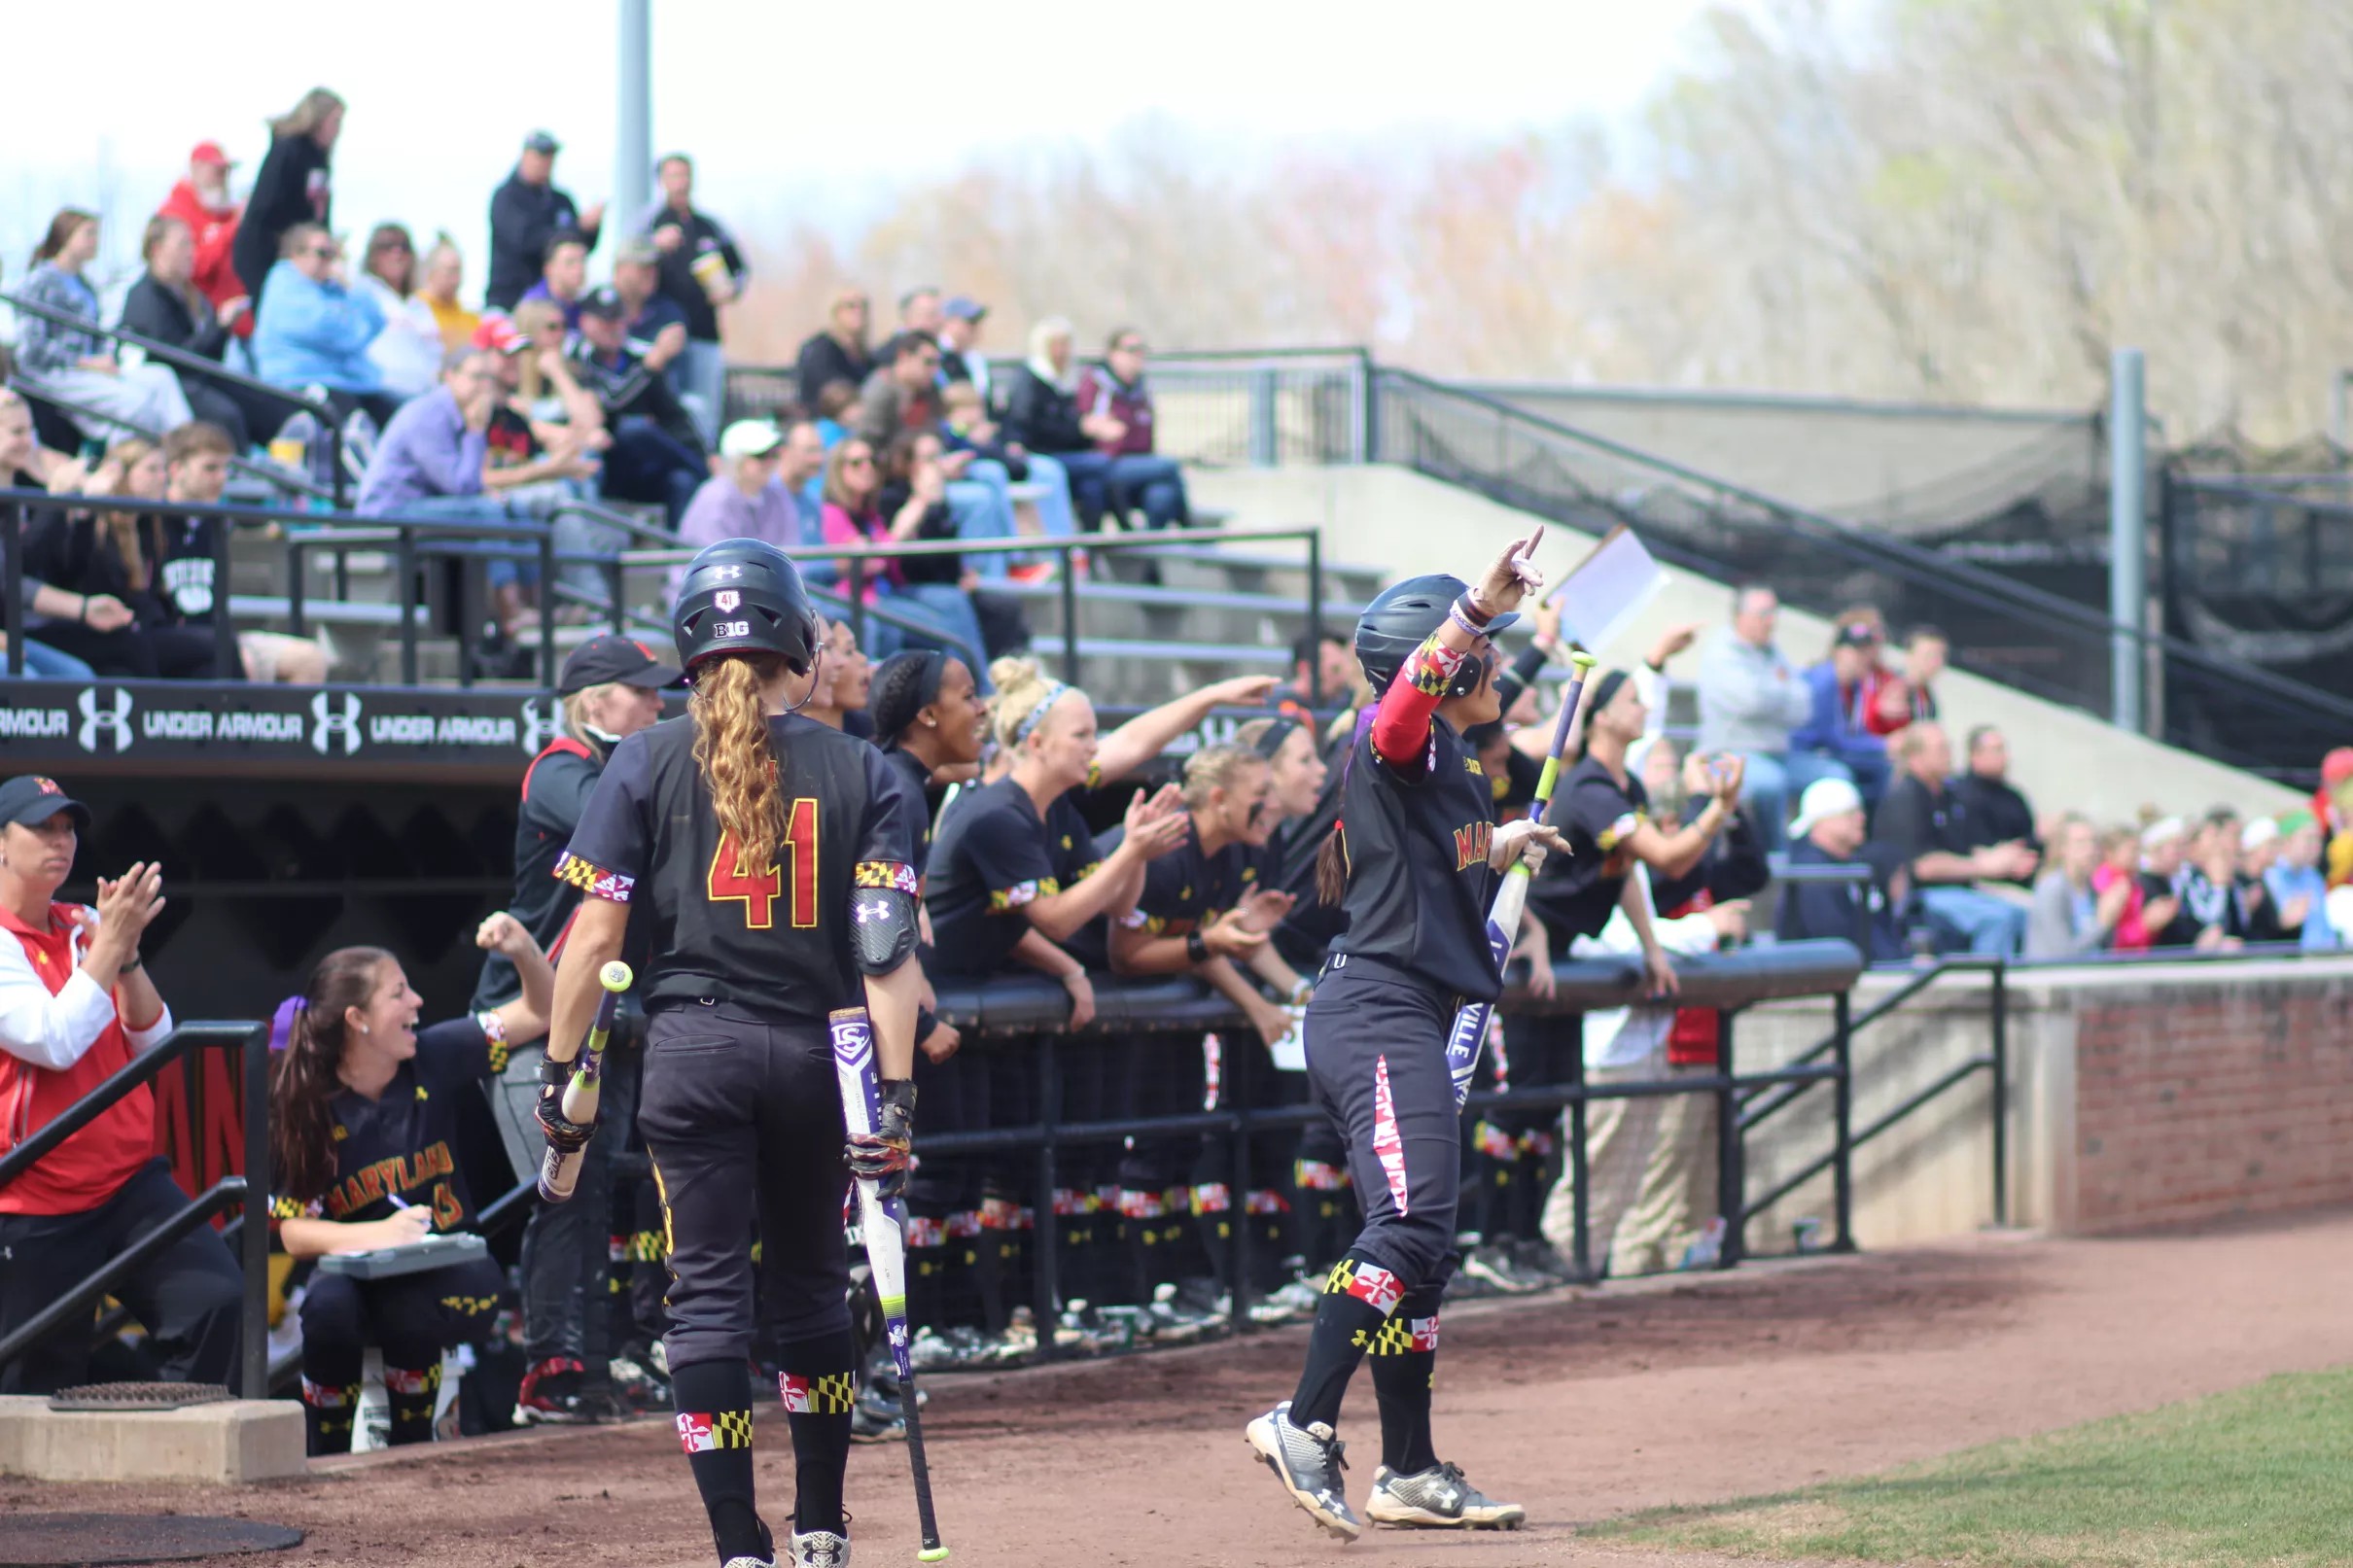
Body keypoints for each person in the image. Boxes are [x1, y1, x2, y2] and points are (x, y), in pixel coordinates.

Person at [538, 539, 924, 1568]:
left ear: (689, 652)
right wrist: (892, 1103)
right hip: (814, 1053)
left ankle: (733, 1545)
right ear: (797, 641)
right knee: (806, 1285)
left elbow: (591, 941)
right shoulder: (867, 768)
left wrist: (560, 1070)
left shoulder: (640, 755)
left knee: (705, 1293)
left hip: (691, 1047)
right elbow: (887, 958)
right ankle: (821, 1530)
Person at [1245, 541, 1564, 1540]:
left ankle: (1410, 1467)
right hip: (1377, 1011)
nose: (1501, 668)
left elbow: (1429, 856)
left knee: (1423, 1253)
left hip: (1403, 1015)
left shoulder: (1455, 767)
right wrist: (1474, 606)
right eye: (1488, 653)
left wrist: (1498, 843)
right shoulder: (1401, 736)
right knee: (1413, 1223)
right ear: (1448, 661)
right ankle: (1298, 1418)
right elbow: (1392, 713)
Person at [473, 634, 678, 1423]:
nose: (660, 704)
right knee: (563, 1189)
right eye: (643, 692)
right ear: (597, 702)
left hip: (603, 1018)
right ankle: (550, 1370)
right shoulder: (561, 763)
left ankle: (603, 1357)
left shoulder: (629, 759)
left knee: (609, 1192)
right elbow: (623, 818)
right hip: (528, 1019)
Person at [270, 918, 552, 1453]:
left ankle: (411, 1446)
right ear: (357, 1020)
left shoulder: (435, 1053)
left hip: (450, 1269)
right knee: (327, 1309)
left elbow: (542, 1011)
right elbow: (293, 1231)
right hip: (352, 1275)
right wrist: (380, 1234)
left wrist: (524, 952)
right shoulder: (304, 1100)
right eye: (399, 993)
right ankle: (324, 1452)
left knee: (410, 1308)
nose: (418, 1002)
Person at [0, 776, 242, 1395]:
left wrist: (126, 955)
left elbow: (154, 1044)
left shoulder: (82, 924)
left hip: (129, 1181)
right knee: (33, 1385)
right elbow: (53, 1041)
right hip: (35, 1199)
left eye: (68, 827)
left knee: (216, 1299)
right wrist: (108, 943)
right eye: (42, 827)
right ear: (2, 845)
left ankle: (181, 1469)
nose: (62, 841)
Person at [18, 436, 225, 680]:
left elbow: (144, 598)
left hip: (127, 630)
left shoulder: (150, 524)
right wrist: (86, 510)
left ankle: (226, 717)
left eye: (162, 469)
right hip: (80, 626)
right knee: (214, 644)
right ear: (122, 475)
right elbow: (76, 575)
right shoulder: (93, 520)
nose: (162, 478)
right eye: (151, 469)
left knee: (197, 666)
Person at [150, 421, 329, 681]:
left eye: (225, 469)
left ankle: (276, 723)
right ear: (177, 470)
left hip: (221, 640)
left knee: (308, 660)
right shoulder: (151, 523)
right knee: (218, 664)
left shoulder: (216, 523)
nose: (221, 478)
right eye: (210, 468)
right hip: (178, 642)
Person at [819, 436, 994, 679]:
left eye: (872, 461)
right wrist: (906, 523)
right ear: (839, 470)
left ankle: (977, 688)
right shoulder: (832, 513)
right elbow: (861, 564)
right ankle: (967, 691)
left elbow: (889, 559)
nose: (867, 468)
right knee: (946, 630)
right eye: (857, 463)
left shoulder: (869, 513)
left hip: (889, 590)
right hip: (861, 598)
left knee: (953, 600)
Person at [16, 209, 196, 442]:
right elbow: (31, 349)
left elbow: (96, 339)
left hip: (91, 370)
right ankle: (126, 466)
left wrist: (106, 357)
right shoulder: (40, 280)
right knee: (135, 403)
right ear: (65, 236)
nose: (95, 242)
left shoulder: (85, 284)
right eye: (88, 234)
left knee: (161, 378)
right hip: (57, 373)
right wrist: (85, 362)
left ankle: (189, 454)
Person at [1870, 721, 2036, 957]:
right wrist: (1983, 866)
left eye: (1948, 747)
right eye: (1940, 749)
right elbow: (1921, 866)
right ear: (1916, 757)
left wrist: (2004, 858)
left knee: (2026, 910)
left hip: (1961, 889)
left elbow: (1963, 850)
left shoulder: (1950, 796)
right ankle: (1987, 988)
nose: (1949, 755)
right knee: (1998, 919)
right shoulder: (1905, 797)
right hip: (1920, 896)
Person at [1695, 584, 1843, 850]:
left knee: (1834, 774)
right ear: (1740, 616)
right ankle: (1777, 860)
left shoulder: (1774, 653)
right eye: (1763, 614)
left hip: (1780, 754)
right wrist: (1781, 691)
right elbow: (1751, 701)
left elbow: (1804, 706)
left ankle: (1816, 855)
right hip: (1730, 755)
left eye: (1774, 613)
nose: (1771, 622)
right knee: (1770, 783)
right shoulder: (1721, 653)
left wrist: (1770, 693)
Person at [119, 216, 274, 451]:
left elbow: (209, 358)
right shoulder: (144, 296)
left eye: (192, 244)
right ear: (157, 249)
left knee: (259, 402)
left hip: (199, 378)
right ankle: (234, 478)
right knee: (226, 416)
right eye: (183, 244)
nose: (192, 252)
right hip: (171, 385)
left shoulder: (190, 295)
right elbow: (176, 359)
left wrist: (222, 329)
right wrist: (218, 327)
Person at [566, 287, 707, 527]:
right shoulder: (577, 359)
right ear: (585, 322)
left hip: (645, 466)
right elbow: (609, 403)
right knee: (635, 429)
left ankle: (678, 558)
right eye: (605, 320)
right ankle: (709, 478)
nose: (613, 327)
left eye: (618, 319)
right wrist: (648, 368)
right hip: (605, 464)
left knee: (682, 480)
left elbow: (673, 415)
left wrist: (706, 453)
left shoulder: (638, 356)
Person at [251, 225, 398, 432]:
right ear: (296, 254)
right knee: (353, 421)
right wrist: (353, 322)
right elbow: (341, 334)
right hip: (299, 383)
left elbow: (376, 321)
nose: (330, 261)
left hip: (349, 382)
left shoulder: (335, 288)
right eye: (322, 253)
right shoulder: (284, 287)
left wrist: (352, 284)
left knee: (398, 415)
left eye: (333, 253)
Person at [642, 154, 745, 438]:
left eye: (685, 176)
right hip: (662, 336)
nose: (680, 183)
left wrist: (730, 290)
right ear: (662, 181)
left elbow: (739, 270)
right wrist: (654, 246)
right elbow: (627, 262)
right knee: (668, 408)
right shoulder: (650, 223)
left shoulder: (708, 226)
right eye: (673, 176)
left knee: (705, 411)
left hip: (704, 332)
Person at [0, 390, 100, 679]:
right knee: (23, 677)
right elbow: (12, 572)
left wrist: (82, 515)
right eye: (17, 431)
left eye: (31, 431)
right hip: (11, 631)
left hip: (20, 627)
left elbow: (63, 570)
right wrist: (55, 501)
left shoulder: (27, 494)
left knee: (79, 677)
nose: (28, 441)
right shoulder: (39, 499)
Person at [1001, 318, 1119, 531]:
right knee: (1102, 464)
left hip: (1063, 451)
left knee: (1092, 488)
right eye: (1056, 345)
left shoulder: (1065, 380)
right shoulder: (1031, 380)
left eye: (1065, 344)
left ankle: (1089, 545)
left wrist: (1086, 428)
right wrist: (1081, 428)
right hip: (1040, 453)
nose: (1062, 351)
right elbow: (1031, 427)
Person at [231, 88, 343, 308]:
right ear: (319, 119)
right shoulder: (288, 150)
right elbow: (266, 206)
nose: (338, 130)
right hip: (267, 252)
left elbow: (318, 210)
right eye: (336, 121)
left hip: (300, 252)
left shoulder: (320, 159)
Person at [1774, 777, 1907, 958]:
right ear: (1822, 821)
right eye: (1849, 813)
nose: (1861, 819)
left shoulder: (1857, 863)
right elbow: (1832, 938)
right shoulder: (1813, 872)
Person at [1076, 328, 1190, 531]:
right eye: (1131, 349)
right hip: (1110, 465)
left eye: (1141, 350)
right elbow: (1084, 423)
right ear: (1113, 353)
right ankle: (1191, 528)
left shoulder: (1141, 389)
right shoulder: (1097, 385)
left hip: (1142, 465)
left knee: (1161, 496)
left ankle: (1148, 556)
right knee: (1170, 466)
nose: (1138, 356)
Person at [488, 131, 604, 313]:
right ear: (525, 156)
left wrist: (592, 228)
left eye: (550, 156)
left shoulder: (561, 200)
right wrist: (576, 227)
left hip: (556, 304)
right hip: (510, 301)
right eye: (540, 155)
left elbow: (581, 246)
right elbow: (525, 240)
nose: (546, 162)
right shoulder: (507, 197)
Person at [1791, 618, 1894, 806]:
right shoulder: (1823, 682)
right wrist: (1883, 746)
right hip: (1801, 754)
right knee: (1841, 774)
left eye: (1868, 652)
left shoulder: (1854, 686)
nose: (1865, 658)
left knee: (1884, 767)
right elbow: (1835, 739)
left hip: (1829, 752)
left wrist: (1883, 747)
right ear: (1839, 651)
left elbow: (1856, 733)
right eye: (1858, 651)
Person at [154, 141, 249, 341]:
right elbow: (193, 267)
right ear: (196, 169)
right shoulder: (176, 212)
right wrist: (232, 228)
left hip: (240, 322)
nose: (223, 179)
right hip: (207, 325)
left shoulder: (223, 210)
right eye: (217, 171)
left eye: (226, 172)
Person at [357, 224, 445, 402]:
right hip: (383, 394)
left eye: (404, 247)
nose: (397, 253)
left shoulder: (419, 305)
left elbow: (436, 353)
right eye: (387, 246)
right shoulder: (362, 294)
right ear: (373, 255)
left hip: (424, 395)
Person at [2024, 814, 2127, 959]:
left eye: (2094, 843)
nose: (2090, 850)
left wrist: (2113, 915)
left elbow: (2102, 946)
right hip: (2053, 978)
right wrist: (2103, 923)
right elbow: (2062, 956)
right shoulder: (2052, 890)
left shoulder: (2091, 889)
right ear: (2063, 848)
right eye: (2081, 843)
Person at [1953, 725, 2040, 883]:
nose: (2005, 757)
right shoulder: (1957, 794)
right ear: (1975, 755)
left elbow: (2030, 838)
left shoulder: (2014, 797)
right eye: (1997, 750)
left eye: (2004, 750)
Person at [2267, 811, 2337, 951]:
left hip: (2324, 959)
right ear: (2288, 840)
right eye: (2309, 839)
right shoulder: (2271, 876)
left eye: (2318, 839)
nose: (2317, 847)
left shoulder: (2313, 877)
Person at [795, 290, 874, 412]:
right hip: (822, 419)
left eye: (863, 307)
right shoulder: (820, 349)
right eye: (850, 306)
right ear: (836, 311)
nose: (858, 312)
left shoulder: (865, 356)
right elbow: (827, 390)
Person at [415, 235, 481, 353]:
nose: (457, 279)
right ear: (432, 271)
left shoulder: (472, 319)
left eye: (459, 271)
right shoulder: (416, 311)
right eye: (451, 271)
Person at [936, 296, 990, 399]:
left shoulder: (975, 359)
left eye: (978, 322)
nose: (976, 327)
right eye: (970, 322)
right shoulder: (937, 356)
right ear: (950, 322)